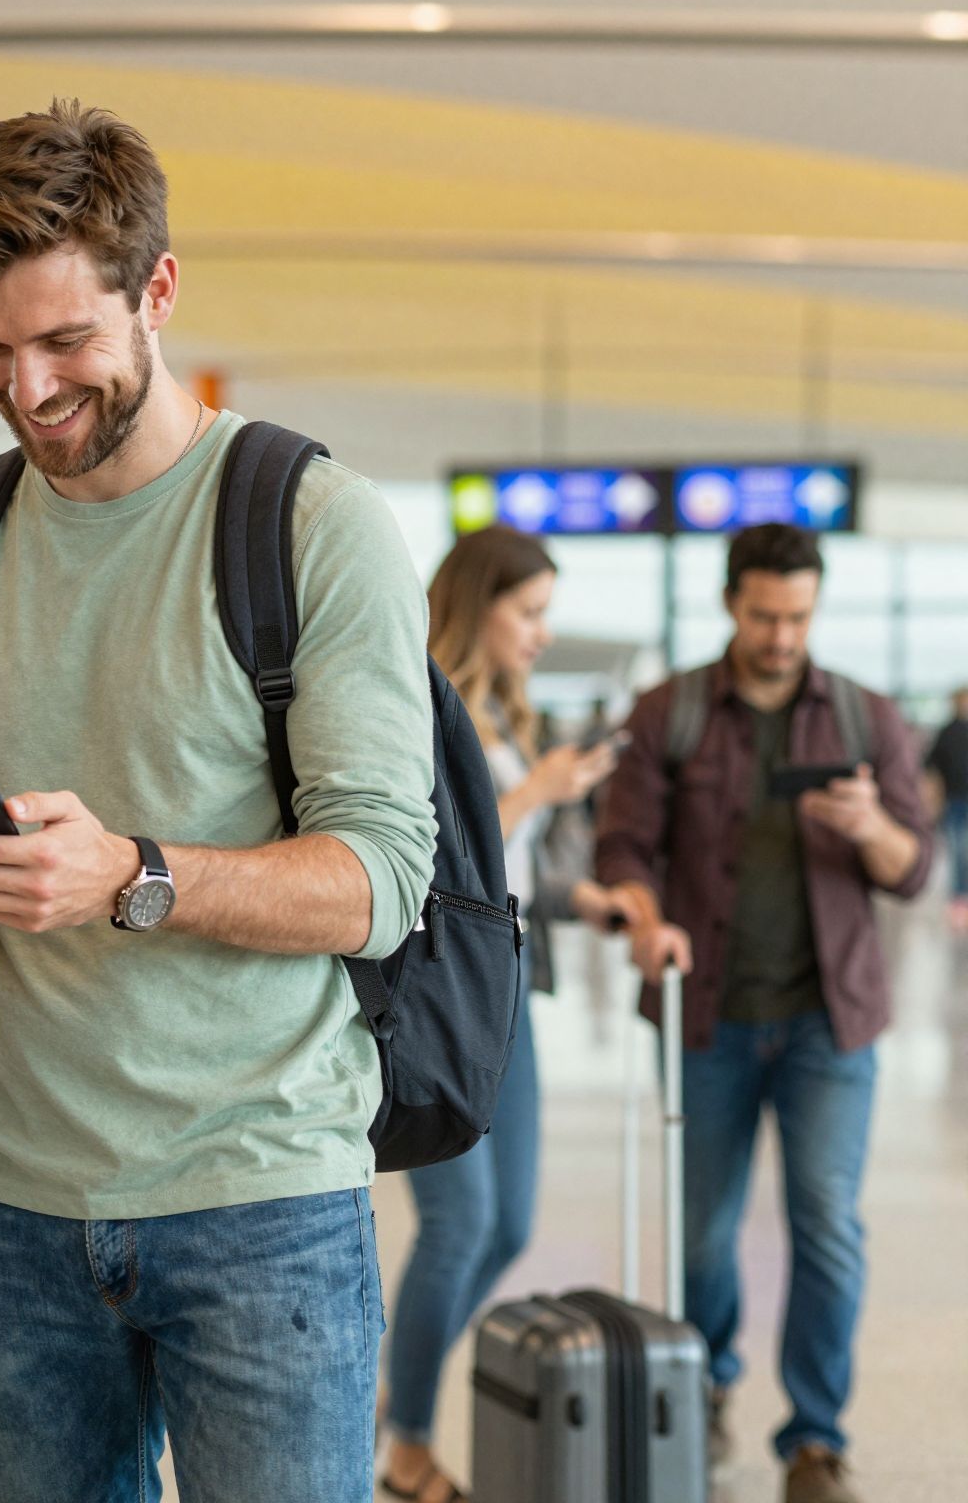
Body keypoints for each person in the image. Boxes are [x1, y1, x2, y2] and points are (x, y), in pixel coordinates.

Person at [0, 100, 436, 1503]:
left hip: (260, 1199)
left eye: (65, 341)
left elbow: (378, 881)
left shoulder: (310, 523)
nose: (27, 388)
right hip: (4, 1206)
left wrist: (129, 875)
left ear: (156, 291)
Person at [596, 523, 931, 1503]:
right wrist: (643, 916)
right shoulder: (671, 712)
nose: (781, 636)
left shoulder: (865, 717)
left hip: (830, 1021)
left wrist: (870, 827)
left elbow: (915, 870)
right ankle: (706, 1390)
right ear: (729, 604)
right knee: (704, 1232)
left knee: (825, 1222)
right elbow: (622, 847)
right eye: (763, 616)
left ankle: (814, 1440)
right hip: (706, 1018)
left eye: (797, 617)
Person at [380, 527, 636, 1502]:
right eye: (526, 612)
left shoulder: (502, 716)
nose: (541, 633)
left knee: (509, 1225)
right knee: (460, 1222)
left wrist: (583, 899)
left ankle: (391, 1393)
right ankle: (405, 1440)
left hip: (504, 995)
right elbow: (431, 861)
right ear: (473, 604)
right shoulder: (415, 707)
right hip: (437, 998)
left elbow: (506, 884)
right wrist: (536, 791)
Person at [925, 687, 968, 930]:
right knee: (958, 851)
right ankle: (960, 899)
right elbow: (931, 766)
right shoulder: (947, 733)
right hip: (954, 801)